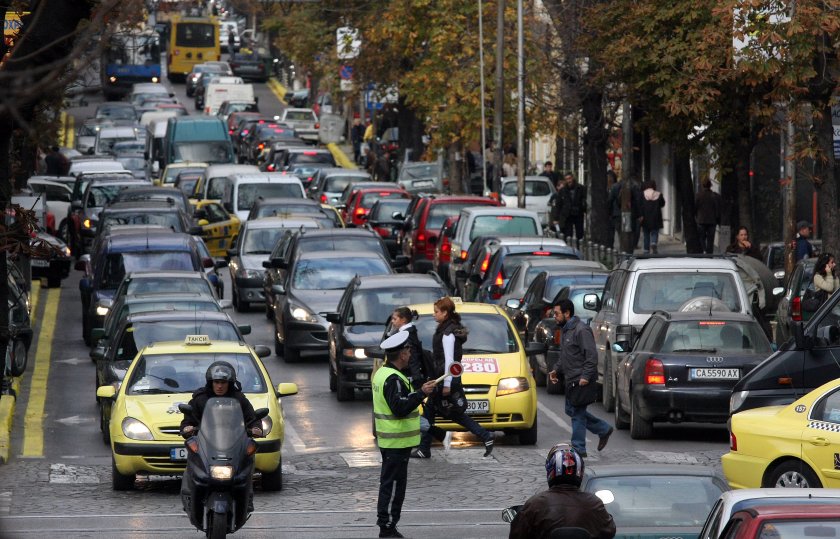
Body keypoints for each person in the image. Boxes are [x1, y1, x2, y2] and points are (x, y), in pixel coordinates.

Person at [412, 297, 494, 459]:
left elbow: (450, 360)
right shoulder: (448, 329)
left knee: (448, 413)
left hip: (445, 378)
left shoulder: (447, 333)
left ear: (445, 313)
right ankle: (424, 448)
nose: (433, 314)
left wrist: (447, 384)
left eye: (436, 312)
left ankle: (485, 436)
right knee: (435, 411)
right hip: (444, 377)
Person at [373, 331, 437, 538]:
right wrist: (421, 394)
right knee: (392, 486)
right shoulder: (393, 378)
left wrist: (419, 392)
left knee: (391, 484)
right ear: (402, 354)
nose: (410, 354)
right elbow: (399, 407)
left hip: (394, 441)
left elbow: (401, 400)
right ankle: (387, 527)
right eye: (408, 350)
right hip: (396, 441)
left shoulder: (385, 373)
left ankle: (388, 525)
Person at [180, 362, 262, 512]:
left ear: (229, 383)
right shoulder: (200, 399)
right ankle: (190, 494)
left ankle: (247, 496)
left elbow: (252, 417)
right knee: (193, 459)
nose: (219, 386)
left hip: (233, 444)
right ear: (210, 382)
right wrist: (187, 428)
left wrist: (256, 428)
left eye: (223, 382)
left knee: (248, 457)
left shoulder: (239, 398)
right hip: (207, 444)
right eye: (216, 382)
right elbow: (188, 419)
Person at [548, 299, 613, 457]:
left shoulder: (581, 330)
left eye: (556, 313)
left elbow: (591, 356)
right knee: (571, 409)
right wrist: (556, 370)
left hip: (581, 380)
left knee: (577, 412)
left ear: (567, 313)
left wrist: (585, 376)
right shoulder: (565, 330)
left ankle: (579, 449)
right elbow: (566, 355)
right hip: (571, 379)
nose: (554, 317)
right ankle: (603, 429)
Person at [509, 444, 616, 539]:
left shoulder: (535, 504)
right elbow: (610, 531)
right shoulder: (594, 503)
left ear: (550, 470)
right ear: (580, 472)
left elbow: (517, 534)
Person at [390, 307, 447, 444]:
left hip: (410, 377)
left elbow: (413, 359)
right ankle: (429, 440)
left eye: (395, 319)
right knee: (414, 409)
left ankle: (435, 434)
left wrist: (416, 381)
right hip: (412, 377)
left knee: (407, 409)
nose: (392, 322)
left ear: (403, 320)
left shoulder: (406, 335)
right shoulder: (407, 332)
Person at [695, 178, 721, 254]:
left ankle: (704, 250)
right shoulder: (715, 196)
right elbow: (718, 209)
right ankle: (709, 254)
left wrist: (696, 216)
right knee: (711, 239)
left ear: (703, 186)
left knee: (701, 237)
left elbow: (695, 207)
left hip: (701, 220)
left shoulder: (698, 196)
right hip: (712, 221)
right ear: (710, 185)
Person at [559, 173, 587, 241]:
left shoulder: (581, 188)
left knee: (579, 233)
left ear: (573, 178)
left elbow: (584, 199)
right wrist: (557, 217)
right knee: (568, 234)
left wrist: (583, 208)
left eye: (569, 178)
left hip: (578, 213)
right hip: (568, 214)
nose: (568, 181)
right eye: (566, 179)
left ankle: (578, 246)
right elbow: (559, 204)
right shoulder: (563, 190)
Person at [640, 179, 665, 254]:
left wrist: (640, 215)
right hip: (656, 217)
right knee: (655, 232)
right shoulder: (658, 194)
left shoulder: (642, 194)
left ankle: (646, 250)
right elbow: (662, 204)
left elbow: (640, 205)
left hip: (646, 217)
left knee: (646, 234)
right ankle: (653, 242)